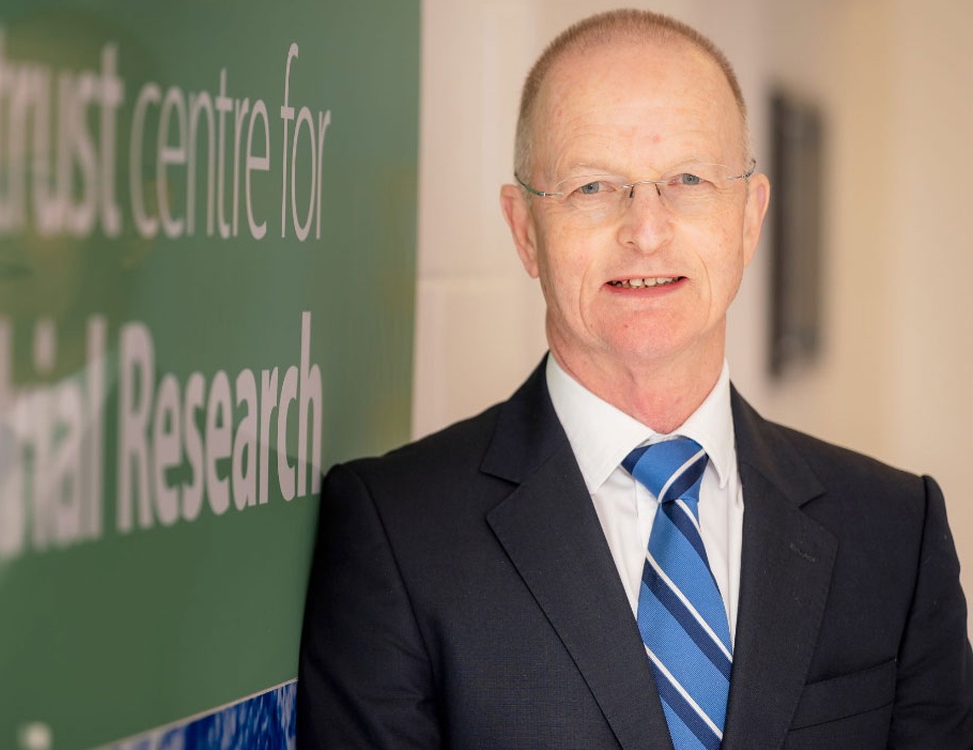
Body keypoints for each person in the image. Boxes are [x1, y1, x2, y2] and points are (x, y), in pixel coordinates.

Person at [297, 8, 973, 749]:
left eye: (687, 179)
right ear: (525, 229)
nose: (645, 231)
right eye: (593, 187)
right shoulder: (397, 535)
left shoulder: (895, 534)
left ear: (749, 217)